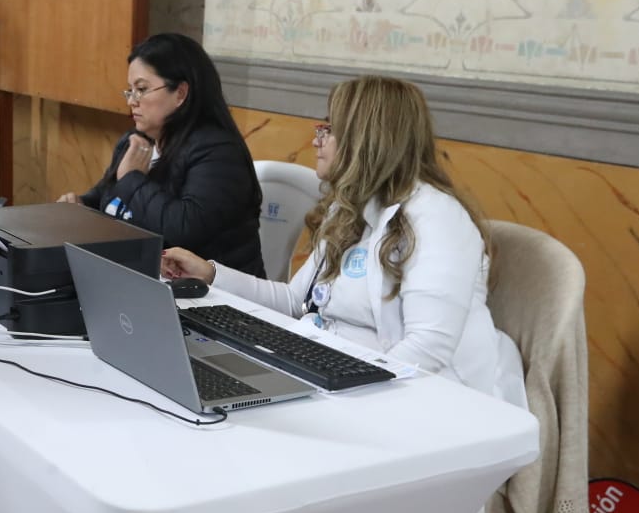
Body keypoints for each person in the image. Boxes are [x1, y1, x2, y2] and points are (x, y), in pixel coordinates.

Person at [161, 74, 527, 409]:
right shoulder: (349, 207)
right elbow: (295, 301)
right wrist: (209, 273)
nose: (316, 140)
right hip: (338, 379)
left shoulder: (436, 217)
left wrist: (341, 397)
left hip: (425, 402)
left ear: (365, 139)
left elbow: (427, 349)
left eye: (329, 130)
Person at [57, 32, 265, 276]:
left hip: (212, 297)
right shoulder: (136, 141)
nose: (132, 101)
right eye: (130, 91)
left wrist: (132, 179)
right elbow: (107, 197)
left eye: (142, 89)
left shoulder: (219, 152)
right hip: (142, 279)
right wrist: (81, 207)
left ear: (180, 93)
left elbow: (183, 230)